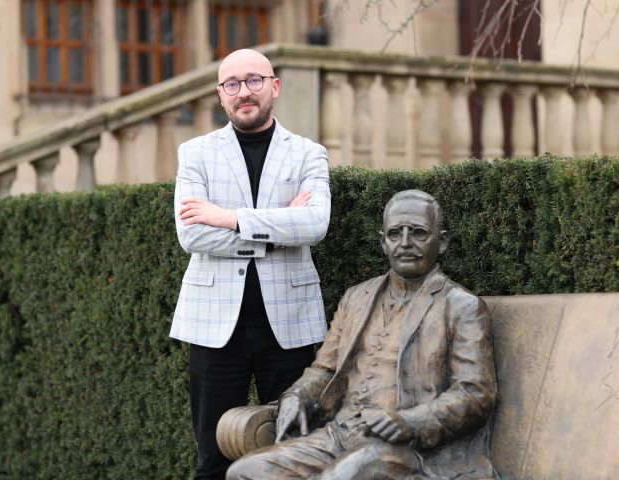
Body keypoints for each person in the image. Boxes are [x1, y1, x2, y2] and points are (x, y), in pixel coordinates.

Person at [226, 190, 498, 480]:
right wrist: (297, 395)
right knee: (245, 472)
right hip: (338, 435)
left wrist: (413, 421)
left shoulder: (461, 306)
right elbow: (324, 370)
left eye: (418, 233)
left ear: (441, 242)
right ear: (383, 242)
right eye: (395, 234)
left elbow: (475, 392)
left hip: (410, 448)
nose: (405, 243)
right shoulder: (356, 297)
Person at [170, 48, 331, 480]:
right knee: (214, 455)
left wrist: (229, 217)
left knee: (296, 451)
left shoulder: (308, 154)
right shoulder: (195, 153)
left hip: (290, 323)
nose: (244, 91)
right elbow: (193, 235)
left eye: (254, 80)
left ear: (274, 87)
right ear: (221, 96)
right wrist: (277, 235)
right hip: (214, 326)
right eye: (232, 84)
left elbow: (314, 224)